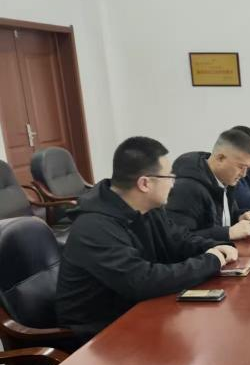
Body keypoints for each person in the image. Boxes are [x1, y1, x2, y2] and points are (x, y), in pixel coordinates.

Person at [57, 136, 237, 342]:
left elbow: (179, 240)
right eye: (169, 177)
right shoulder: (94, 227)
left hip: (137, 314)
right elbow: (142, 281)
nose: (173, 184)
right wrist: (210, 261)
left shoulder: (148, 208)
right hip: (97, 336)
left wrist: (216, 247)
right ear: (145, 183)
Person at [166, 128, 250, 240]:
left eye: (247, 168)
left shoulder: (224, 180)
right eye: (241, 167)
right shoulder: (186, 188)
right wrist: (227, 233)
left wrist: (240, 216)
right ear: (220, 158)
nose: (244, 174)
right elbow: (178, 239)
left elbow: (221, 219)